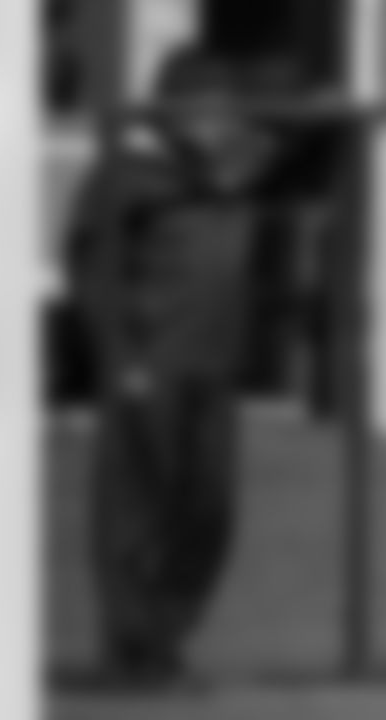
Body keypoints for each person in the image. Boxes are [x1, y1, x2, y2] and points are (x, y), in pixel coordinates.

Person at [66, 47, 274, 684]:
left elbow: (319, 143)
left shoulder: (238, 170)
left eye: (227, 107)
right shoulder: (128, 173)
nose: (220, 119)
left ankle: (165, 635)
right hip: (150, 364)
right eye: (204, 107)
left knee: (209, 510)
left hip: (216, 366)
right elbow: (91, 271)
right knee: (136, 511)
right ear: (171, 110)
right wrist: (120, 356)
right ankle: (134, 650)